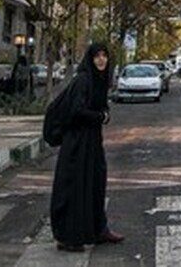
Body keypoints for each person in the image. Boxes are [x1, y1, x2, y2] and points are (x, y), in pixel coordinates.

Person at [49, 42, 125, 252]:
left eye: (104, 56)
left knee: (95, 182)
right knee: (75, 186)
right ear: (90, 59)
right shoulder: (83, 80)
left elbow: (99, 106)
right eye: (97, 56)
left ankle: (99, 229)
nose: (101, 60)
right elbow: (76, 111)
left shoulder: (99, 80)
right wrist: (100, 116)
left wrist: (103, 114)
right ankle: (68, 237)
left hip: (91, 140)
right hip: (76, 142)